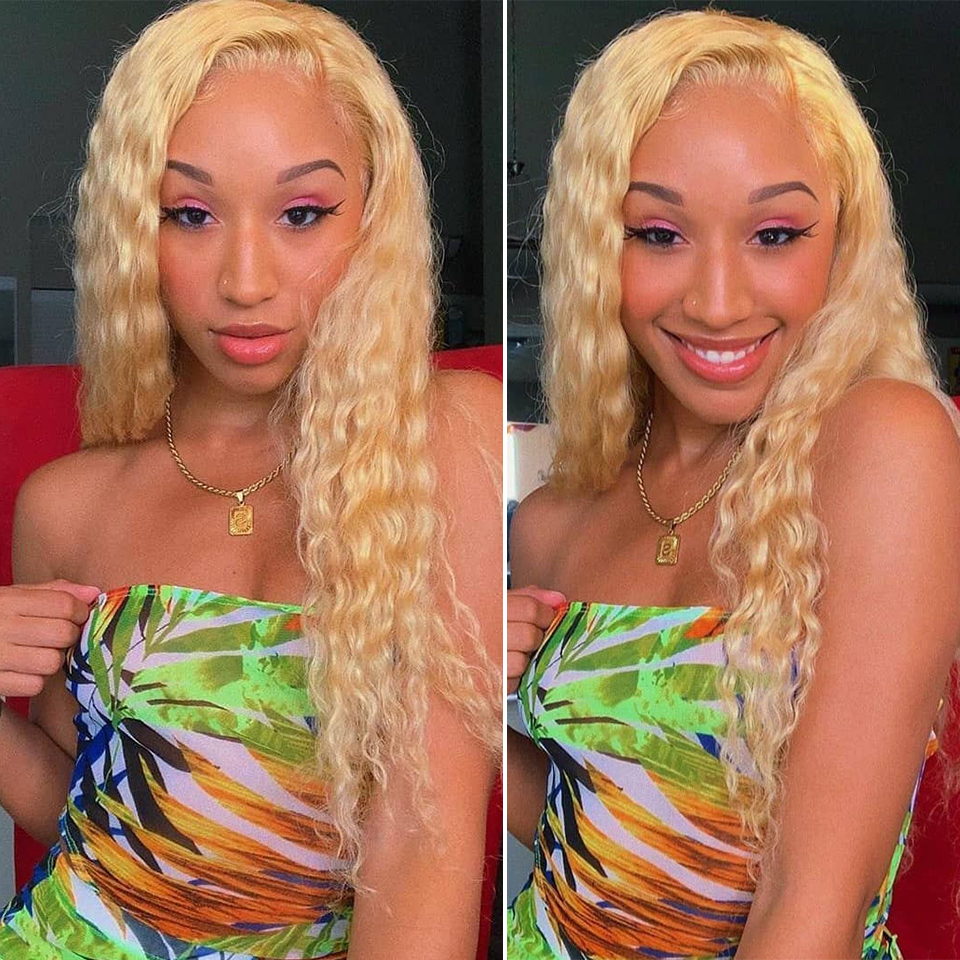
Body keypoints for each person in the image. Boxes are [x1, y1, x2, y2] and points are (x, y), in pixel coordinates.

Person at [0, 1, 501, 957]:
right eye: (189, 215)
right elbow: (86, 811)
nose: (245, 280)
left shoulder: (443, 439)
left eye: (302, 214)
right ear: (132, 231)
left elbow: (421, 851)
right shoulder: (65, 503)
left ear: (375, 214)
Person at [506, 9, 960, 959]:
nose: (717, 302)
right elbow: (595, 831)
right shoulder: (553, 521)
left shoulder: (886, 447)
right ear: (597, 248)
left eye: (775, 234)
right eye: (659, 234)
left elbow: (812, 902)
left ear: (843, 241)